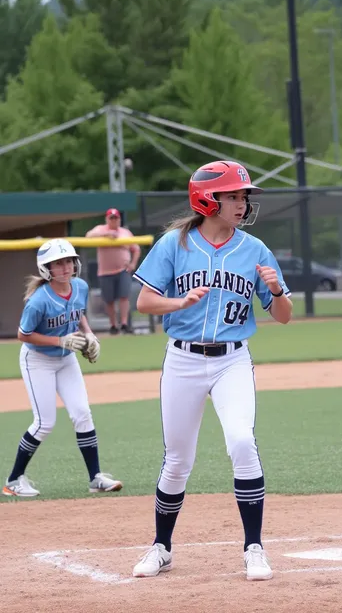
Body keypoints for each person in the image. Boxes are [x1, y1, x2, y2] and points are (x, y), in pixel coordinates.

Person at [131, 160, 292, 581]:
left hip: (233, 360)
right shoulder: (174, 244)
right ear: (208, 199)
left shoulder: (255, 250)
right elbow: (145, 303)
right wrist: (178, 303)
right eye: (233, 196)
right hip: (182, 360)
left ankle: (253, 547)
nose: (242, 203)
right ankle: (161, 547)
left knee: (242, 441)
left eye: (243, 197)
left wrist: (274, 289)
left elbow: (284, 315)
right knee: (178, 460)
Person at [2, 238, 122, 498]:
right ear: (47, 269)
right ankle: (13, 480)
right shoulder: (38, 300)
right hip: (37, 360)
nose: (65, 267)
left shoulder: (80, 286)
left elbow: (77, 314)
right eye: (58, 263)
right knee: (45, 423)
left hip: (66, 359)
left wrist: (89, 335)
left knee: (82, 413)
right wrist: (60, 340)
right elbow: (23, 334)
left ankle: (95, 478)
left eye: (68, 260)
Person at [86, 208, 140, 334]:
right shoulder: (100, 229)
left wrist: (133, 264)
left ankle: (125, 324)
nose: (114, 220)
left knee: (124, 296)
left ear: (119, 219)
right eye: (111, 218)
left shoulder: (125, 232)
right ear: (107, 219)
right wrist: (105, 235)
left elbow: (136, 249)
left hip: (123, 270)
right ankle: (113, 325)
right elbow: (88, 236)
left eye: (116, 218)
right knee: (109, 300)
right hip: (105, 272)